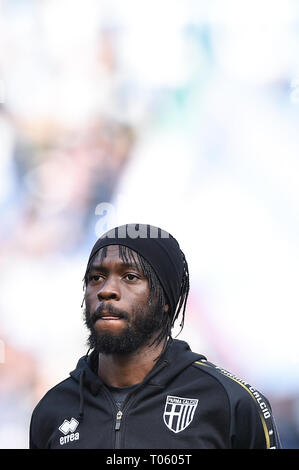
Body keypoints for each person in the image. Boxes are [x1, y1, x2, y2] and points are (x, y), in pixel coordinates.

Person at [29, 223, 281, 449]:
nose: (106, 290)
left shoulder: (229, 401)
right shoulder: (54, 408)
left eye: (130, 277)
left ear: (166, 300)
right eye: (96, 278)